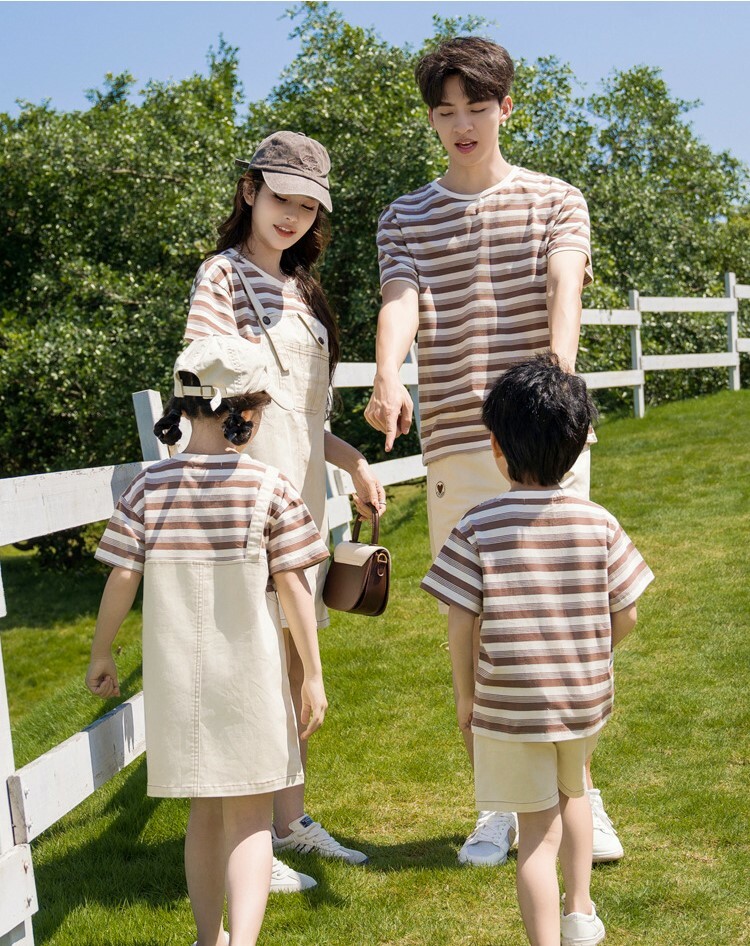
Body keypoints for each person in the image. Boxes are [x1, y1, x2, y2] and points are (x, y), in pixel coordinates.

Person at [364, 36, 620, 866]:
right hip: (455, 438)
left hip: (546, 437)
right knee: (471, 623)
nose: (462, 124)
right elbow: (401, 297)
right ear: (431, 120)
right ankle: (497, 805)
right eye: (446, 112)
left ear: (506, 107)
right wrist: (388, 372)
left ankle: (581, 797)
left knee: (565, 619)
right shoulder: (404, 216)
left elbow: (564, 285)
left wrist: (557, 382)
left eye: (477, 107)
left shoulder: (557, 199)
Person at [185, 131, 385, 890]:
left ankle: (289, 822)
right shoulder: (222, 277)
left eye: (308, 206)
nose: (293, 216)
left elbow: (303, 419)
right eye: (281, 198)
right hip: (241, 500)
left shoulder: (305, 294)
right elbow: (204, 385)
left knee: (294, 660)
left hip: (302, 501)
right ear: (250, 192)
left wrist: (354, 462)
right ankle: (249, 847)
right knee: (251, 669)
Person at [86, 335, 330, 946]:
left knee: (203, 813)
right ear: (245, 412)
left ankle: (207, 938)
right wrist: (313, 674)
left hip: (178, 680)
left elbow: (122, 576)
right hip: (250, 676)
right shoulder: (268, 487)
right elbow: (295, 587)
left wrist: (102, 650)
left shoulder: (149, 487)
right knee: (249, 816)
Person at [422, 353, 653, 946]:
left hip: (509, 706)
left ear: (496, 447)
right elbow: (627, 612)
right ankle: (580, 913)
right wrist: (591, 656)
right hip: (582, 700)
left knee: (535, 837)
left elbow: (460, 621)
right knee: (576, 792)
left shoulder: (477, 525)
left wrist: (466, 696)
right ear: (575, 448)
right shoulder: (599, 522)